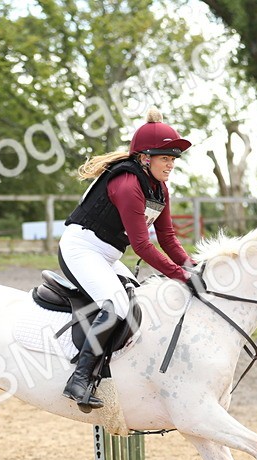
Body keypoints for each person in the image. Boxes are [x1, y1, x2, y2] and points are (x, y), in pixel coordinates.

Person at [60, 108, 196, 410]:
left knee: (139, 300)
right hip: (81, 248)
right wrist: (182, 276)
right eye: (166, 159)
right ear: (145, 158)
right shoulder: (128, 185)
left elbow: (168, 238)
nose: (171, 165)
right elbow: (142, 247)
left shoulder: (159, 188)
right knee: (117, 306)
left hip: (106, 254)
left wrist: (192, 267)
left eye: (173, 159)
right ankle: (79, 380)